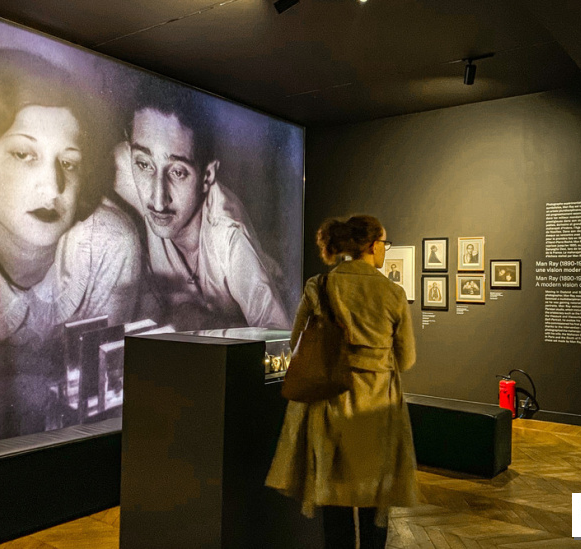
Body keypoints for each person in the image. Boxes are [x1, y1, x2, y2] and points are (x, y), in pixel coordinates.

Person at [0, 49, 142, 468]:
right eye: (24, 154)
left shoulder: (110, 243)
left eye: (69, 163)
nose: (51, 186)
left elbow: (96, 412)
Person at [266, 215, 417, 549]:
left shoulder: (319, 286)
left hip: (330, 407)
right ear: (370, 245)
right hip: (378, 410)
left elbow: (296, 342)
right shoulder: (393, 293)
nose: (385, 251)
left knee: (334, 507)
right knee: (375, 505)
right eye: (384, 244)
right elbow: (406, 359)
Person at [116, 80, 288, 330]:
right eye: (144, 164)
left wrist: (201, 322)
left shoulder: (229, 237)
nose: (157, 200)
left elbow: (279, 339)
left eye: (178, 172)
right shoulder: (125, 166)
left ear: (207, 176)